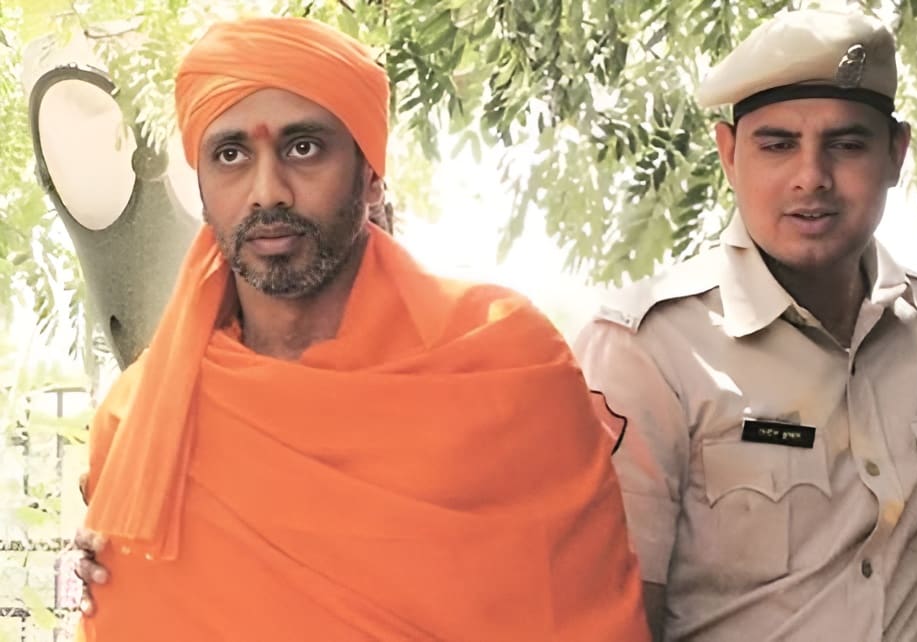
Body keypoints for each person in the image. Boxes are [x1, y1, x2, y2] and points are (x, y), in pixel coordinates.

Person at [71, 16, 648, 641]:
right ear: (204, 187)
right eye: (231, 155)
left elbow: (581, 614)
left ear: (370, 175)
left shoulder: (504, 366)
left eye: (303, 148)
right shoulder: (141, 419)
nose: (268, 192)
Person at [572, 8, 917, 642]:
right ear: (729, 155)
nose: (812, 177)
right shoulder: (647, 349)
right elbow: (613, 614)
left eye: (847, 144)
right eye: (777, 144)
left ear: (896, 154)